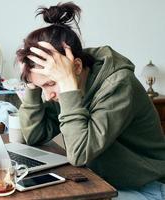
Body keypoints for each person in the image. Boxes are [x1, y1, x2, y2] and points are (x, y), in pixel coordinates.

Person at [16, 2, 165, 199]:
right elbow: (34, 136)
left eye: (51, 84)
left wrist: (67, 86)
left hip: (148, 188)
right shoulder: (69, 80)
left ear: (77, 67)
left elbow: (79, 154)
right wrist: (32, 85)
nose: (48, 95)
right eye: (42, 87)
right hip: (102, 180)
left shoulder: (119, 84)